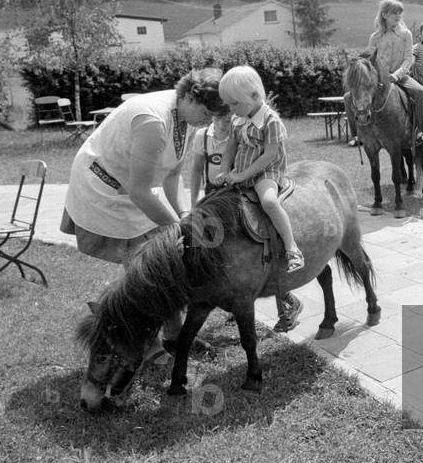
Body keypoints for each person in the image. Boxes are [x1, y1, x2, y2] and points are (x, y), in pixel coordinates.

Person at [61, 68, 227, 355]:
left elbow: (172, 176)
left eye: (214, 116)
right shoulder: (152, 121)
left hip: (133, 191)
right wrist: (178, 229)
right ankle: (149, 346)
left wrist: (183, 216)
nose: (208, 121)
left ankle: (174, 336)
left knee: (166, 260)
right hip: (104, 189)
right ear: (188, 96)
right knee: (146, 266)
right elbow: (139, 191)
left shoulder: (186, 119)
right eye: (206, 112)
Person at [192, 105, 303, 333]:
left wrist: (235, 175)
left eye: (227, 116)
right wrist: (194, 200)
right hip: (214, 194)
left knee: (251, 245)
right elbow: (195, 170)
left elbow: (260, 155)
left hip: (238, 191)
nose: (224, 121)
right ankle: (224, 296)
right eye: (219, 116)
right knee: (206, 248)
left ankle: (283, 297)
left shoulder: (243, 124)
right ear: (212, 116)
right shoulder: (204, 136)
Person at [216, 65, 304, 274]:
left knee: (269, 202)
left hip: (266, 172)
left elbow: (270, 155)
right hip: (241, 171)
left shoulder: (270, 120)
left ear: (255, 96)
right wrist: (224, 169)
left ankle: (292, 248)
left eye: (234, 103)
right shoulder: (238, 119)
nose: (231, 109)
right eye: (228, 104)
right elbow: (231, 146)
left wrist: (243, 175)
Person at [347, 0, 423, 147]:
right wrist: (355, 60)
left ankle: (421, 132)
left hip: (400, 76)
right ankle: (356, 134)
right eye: (394, 13)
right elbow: (367, 58)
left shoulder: (406, 34)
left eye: (400, 13)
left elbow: (408, 59)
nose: (398, 16)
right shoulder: (375, 37)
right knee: (348, 97)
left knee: (420, 93)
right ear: (385, 14)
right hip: (379, 79)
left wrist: (397, 75)